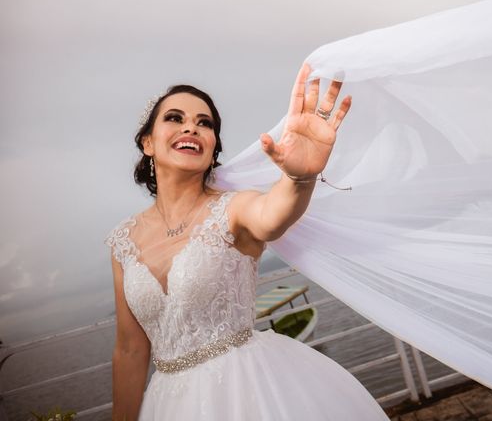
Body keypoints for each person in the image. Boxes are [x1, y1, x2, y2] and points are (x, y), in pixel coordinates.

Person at [104, 63, 390, 420]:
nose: (191, 126)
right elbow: (130, 350)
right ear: (148, 142)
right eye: (174, 118)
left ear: (212, 148)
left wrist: (299, 178)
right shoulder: (122, 242)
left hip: (250, 392)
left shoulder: (234, 209)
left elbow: (273, 214)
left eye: (204, 123)